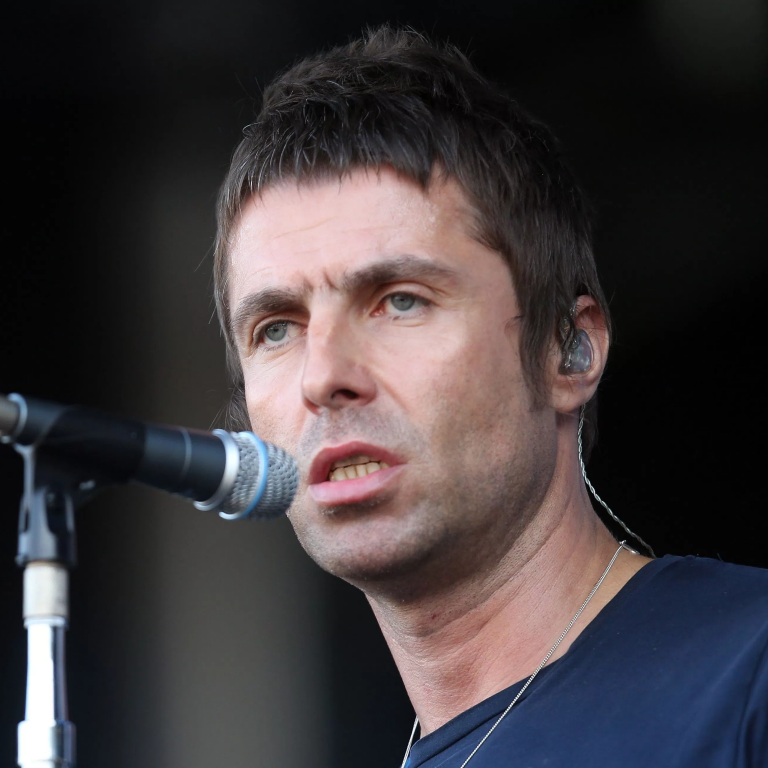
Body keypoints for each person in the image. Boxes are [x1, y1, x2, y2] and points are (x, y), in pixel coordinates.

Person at [212, 26, 767, 767]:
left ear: (567, 352)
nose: (323, 376)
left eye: (400, 301)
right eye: (277, 328)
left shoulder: (749, 672)